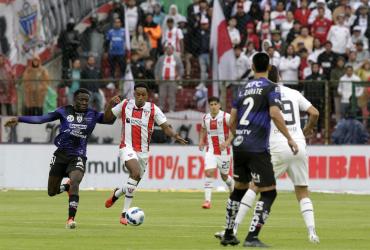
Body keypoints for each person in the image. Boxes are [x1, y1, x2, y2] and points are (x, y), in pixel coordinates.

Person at [223, 65, 320, 244]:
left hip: (276, 145)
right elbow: (314, 112)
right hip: (298, 145)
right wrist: (307, 129)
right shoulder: (294, 93)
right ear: (281, 76)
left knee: (255, 187)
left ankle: (233, 228)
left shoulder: (264, 92)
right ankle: (312, 233)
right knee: (302, 191)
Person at [4, 88, 119, 229]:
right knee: (51, 192)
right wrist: (19, 119)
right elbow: (41, 119)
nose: (84, 103)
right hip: (61, 155)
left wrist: (111, 105)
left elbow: (109, 120)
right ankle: (66, 187)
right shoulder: (64, 111)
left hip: (78, 155)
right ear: (74, 100)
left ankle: (70, 219)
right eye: (81, 100)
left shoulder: (92, 114)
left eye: (86, 100)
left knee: (76, 181)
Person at [220, 52, 298, 247]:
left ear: (253, 67)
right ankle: (252, 237)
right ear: (269, 67)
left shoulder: (242, 89)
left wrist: (237, 136)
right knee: (269, 193)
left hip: (239, 146)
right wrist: (289, 138)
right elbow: (274, 113)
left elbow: (231, 120)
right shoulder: (271, 88)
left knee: (239, 190)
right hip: (257, 147)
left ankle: (229, 233)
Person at [103, 83, 187, 225]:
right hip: (127, 147)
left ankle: (117, 193)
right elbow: (107, 119)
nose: (140, 97)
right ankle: (124, 214)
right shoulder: (125, 105)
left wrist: (175, 136)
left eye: (143, 95)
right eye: (138, 94)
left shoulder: (153, 109)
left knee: (132, 184)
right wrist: (109, 104)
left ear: (147, 96)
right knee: (135, 173)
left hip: (143, 152)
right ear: (134, 94)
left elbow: (166, 127)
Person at [198, 97, 234, 209]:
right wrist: (201, 141)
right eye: (211, 104)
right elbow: (203, 129)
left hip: (224, 152)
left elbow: (234, 130)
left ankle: (233, 191)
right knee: (209, 172)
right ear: (209, 106)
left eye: (215, 104)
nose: (213, 106)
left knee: (224, 176)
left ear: (219, 105)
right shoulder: (206, 117)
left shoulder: (226, 117)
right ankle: (207, 201)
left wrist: (227, 142)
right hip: (211, 151)